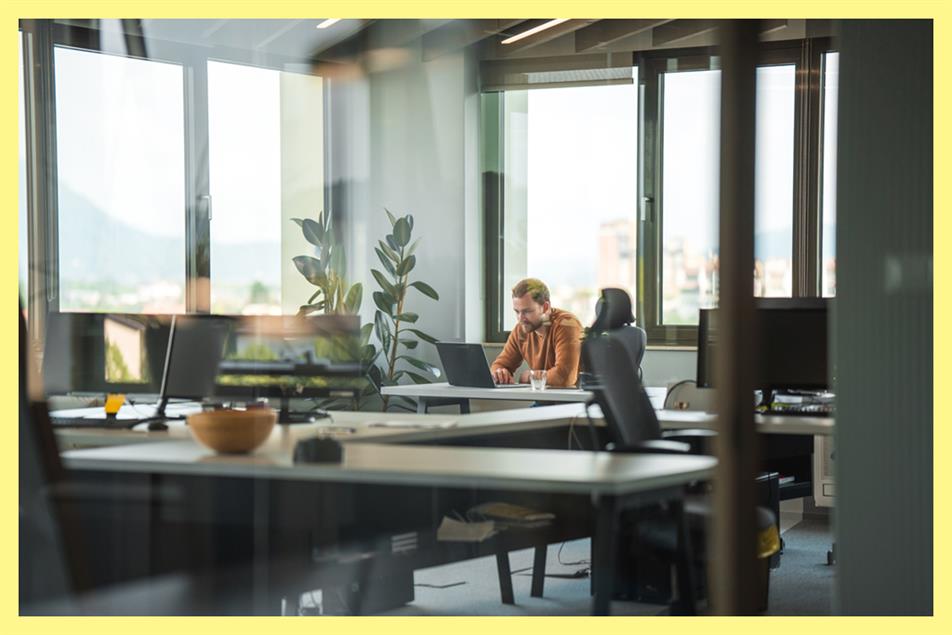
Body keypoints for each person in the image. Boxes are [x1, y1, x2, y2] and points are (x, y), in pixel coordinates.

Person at [490, 278, 583, 388]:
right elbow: (499, 365)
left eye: (527, 311)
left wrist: (528, 376)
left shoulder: (567, 324)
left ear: (545, 307)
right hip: (543, 399)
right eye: (517, 311)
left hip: (575, 401)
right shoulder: (521, 329)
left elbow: (564, 378)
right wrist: (500, 373)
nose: (520, 318)